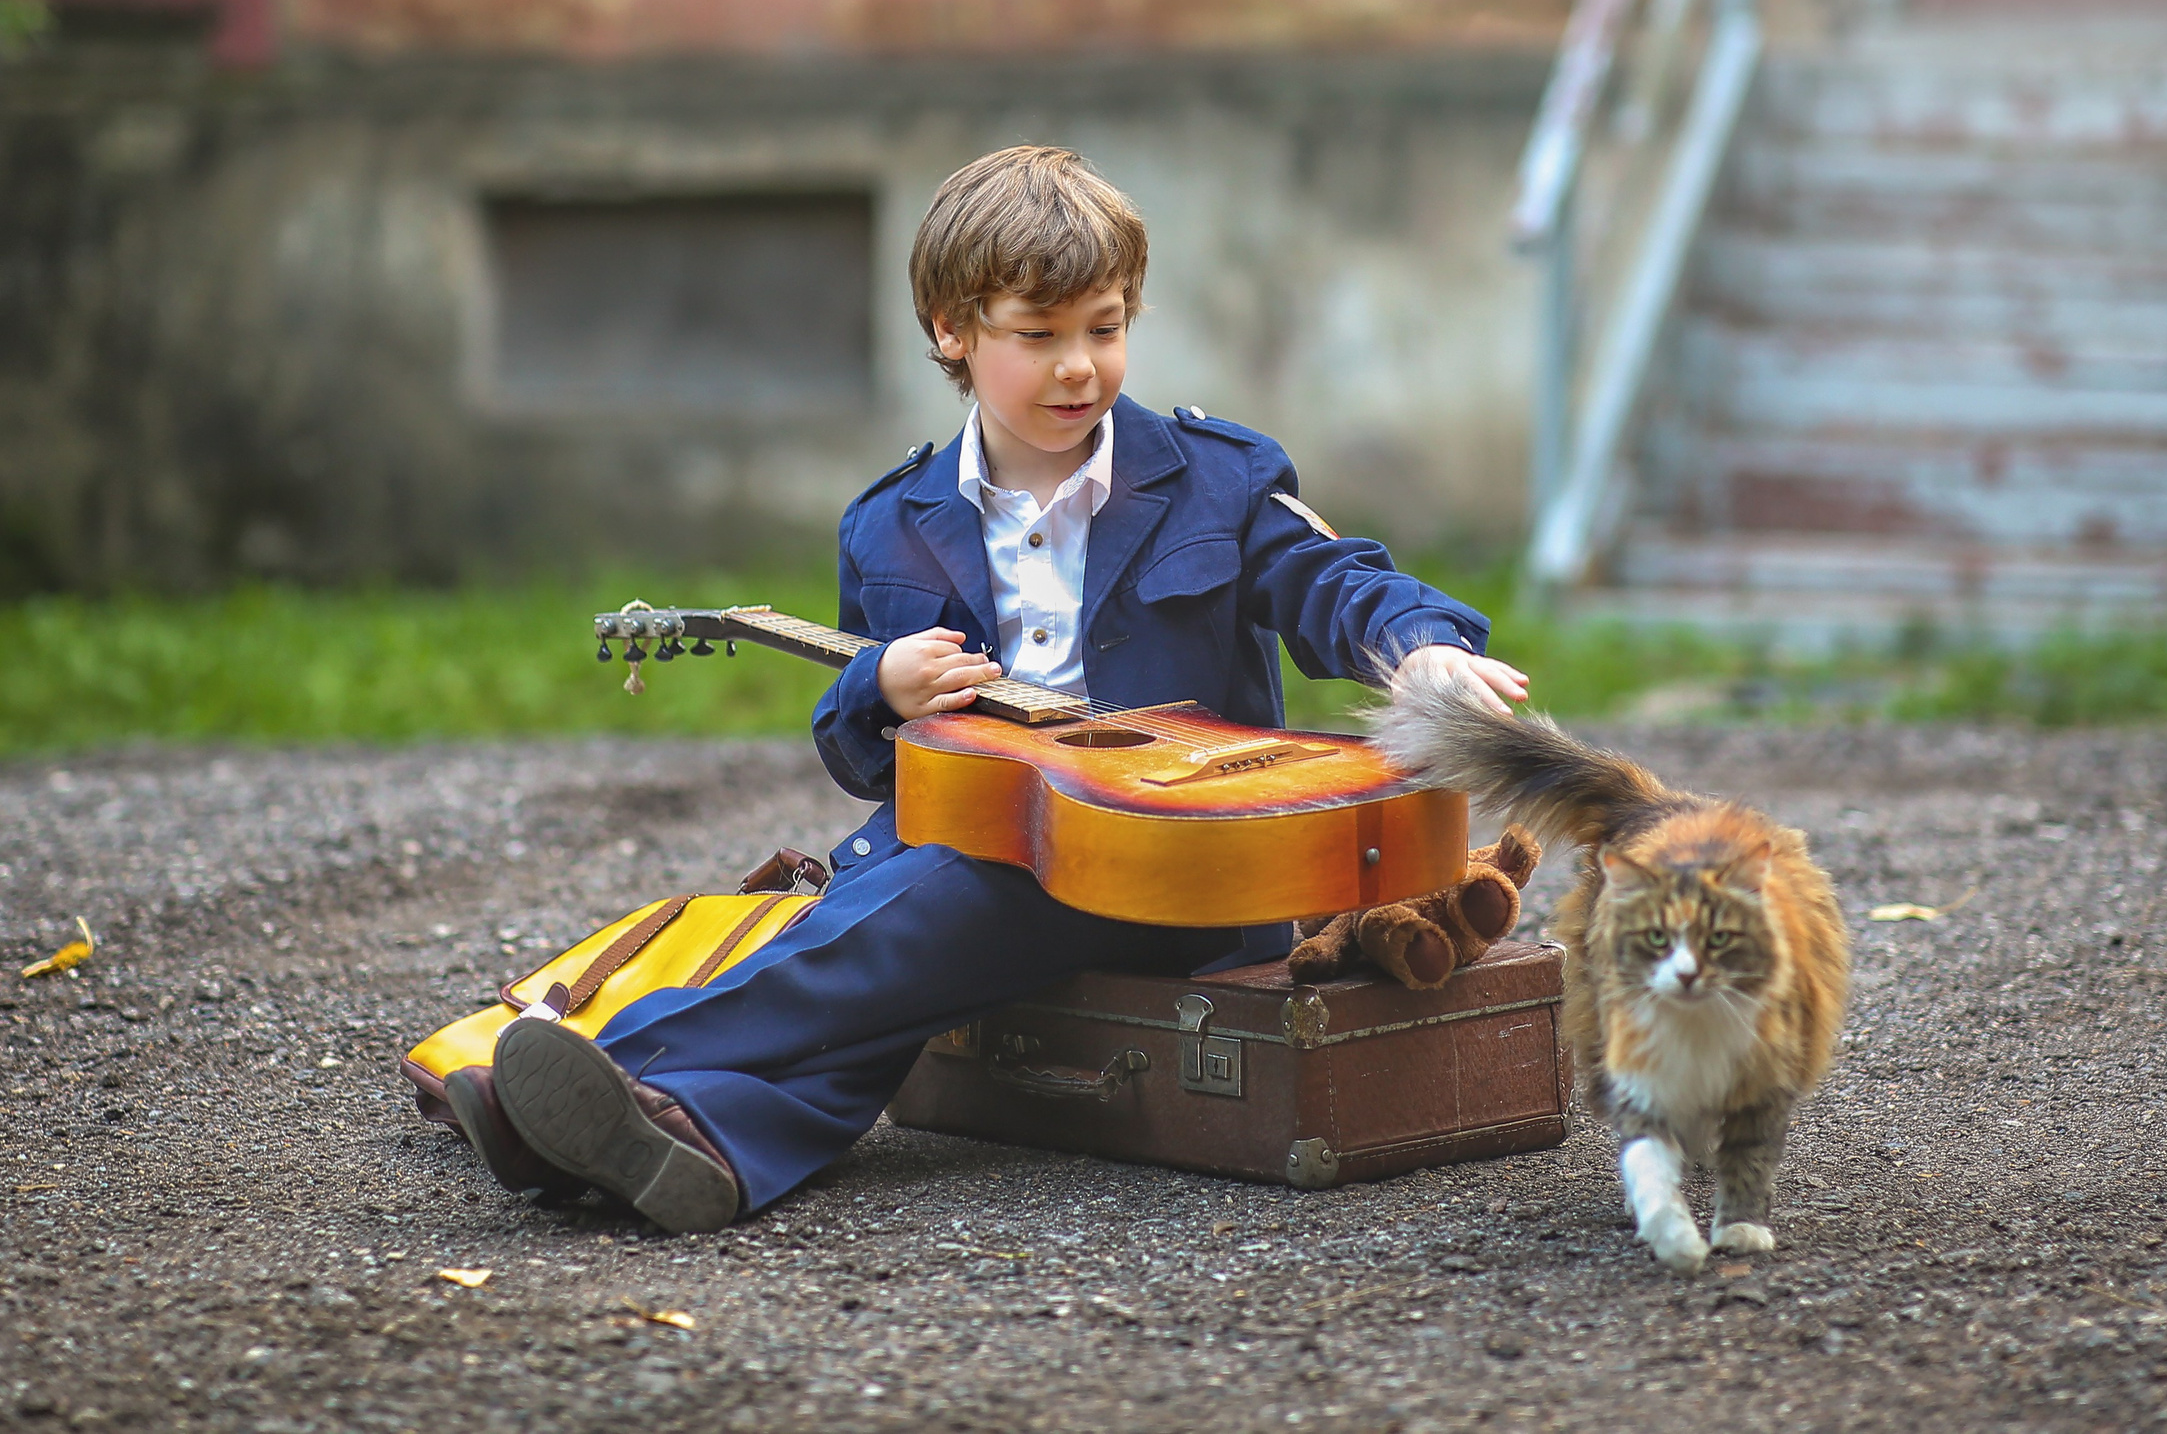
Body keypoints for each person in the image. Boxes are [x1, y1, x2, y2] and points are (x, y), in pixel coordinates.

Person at [454, 146, 1528, 1231]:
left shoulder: (1219, 477)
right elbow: (862, 759)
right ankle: (702, 1141)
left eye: (1104, 327)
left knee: (920, 915)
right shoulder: (889, 522)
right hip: (971, 851)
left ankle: (602, 1069)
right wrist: (882, 685)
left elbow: (1333, 579)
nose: (1080, 367)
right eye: (1039, 335)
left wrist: (1421, 649)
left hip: (1174, 872)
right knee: (917, 920)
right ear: (951, 331)